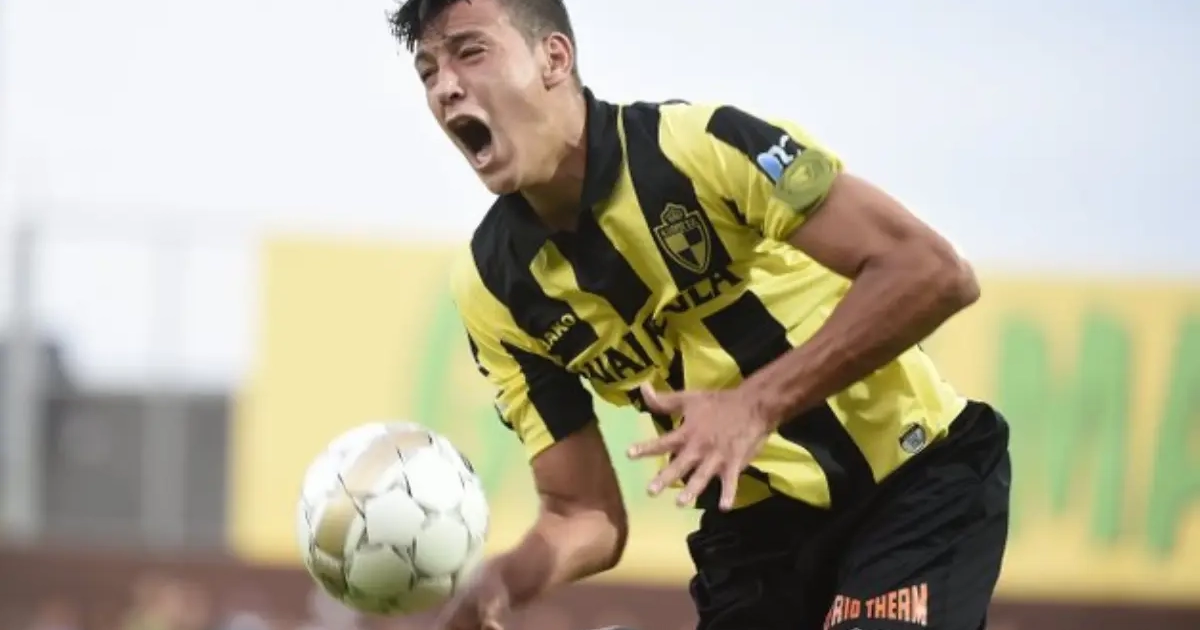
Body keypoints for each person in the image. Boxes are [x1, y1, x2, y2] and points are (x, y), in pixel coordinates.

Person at [388, 1, 1012, 629]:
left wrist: (756, 404)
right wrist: (502, 582)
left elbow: (933, 272)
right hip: (756, 542)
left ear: (554, 58)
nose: (445, 87)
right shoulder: (492, 289)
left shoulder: (701, 145)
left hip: (914, 481)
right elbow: (583, 511)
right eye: (428, 72)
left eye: (471, 52)